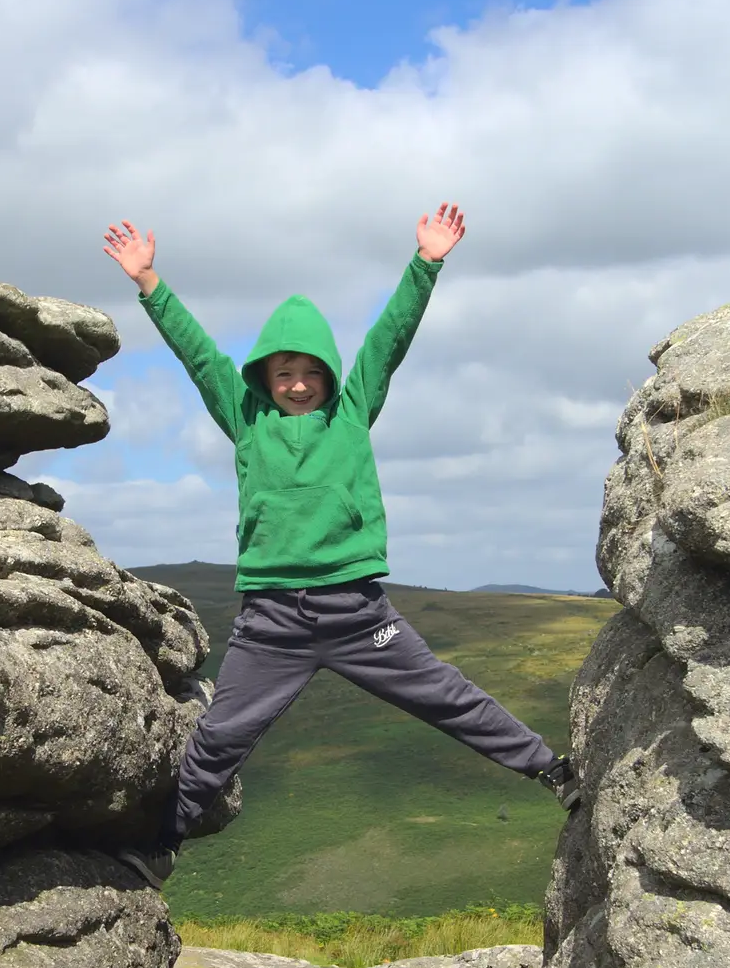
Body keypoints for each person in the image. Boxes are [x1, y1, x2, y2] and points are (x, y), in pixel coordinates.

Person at [103, 204, 580, 887]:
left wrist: (426, 264)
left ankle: (551, 771)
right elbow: (200, 354)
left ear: (327, 373)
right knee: (219, 737)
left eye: (309, 372)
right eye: (282, 372)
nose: (296, 384)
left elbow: (388, 339)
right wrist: (150, 281)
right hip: (272, 622)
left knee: (449, 698)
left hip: (357, 614)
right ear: (264, 378)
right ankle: (160, 848)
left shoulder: (352, 410)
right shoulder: (245, 420)